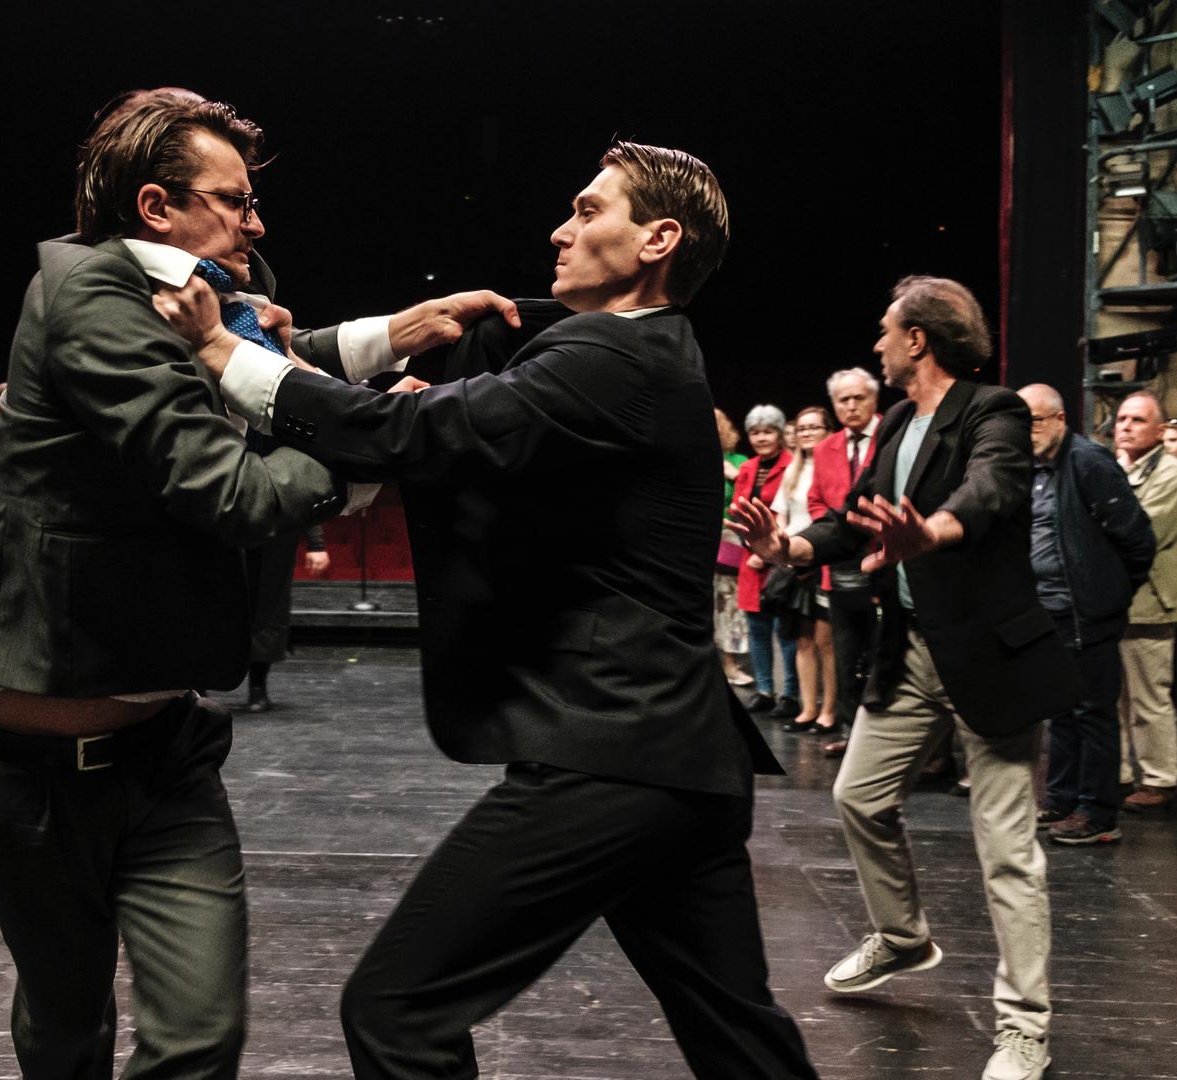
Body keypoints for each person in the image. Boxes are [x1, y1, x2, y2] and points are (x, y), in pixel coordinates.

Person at [164, 139, 818, 1080]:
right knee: (742, 1043)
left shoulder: (617, 357)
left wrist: (224, 349)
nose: (560, 230)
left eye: (589, 211)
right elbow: (492, 373)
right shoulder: (635, 347)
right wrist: (345, 343)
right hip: (681, 762)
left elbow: (413, 433)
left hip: (613, 756)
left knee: (396, 1013)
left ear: (658, 240)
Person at [0, 88, 507, 1079]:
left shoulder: (198, 291)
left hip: (166, 754)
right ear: (156, 207)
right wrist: (378, 449)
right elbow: (231, 489)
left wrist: (392, 334)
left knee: (199, 1036)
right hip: (31, 771)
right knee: (68, 1033)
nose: (257, 222)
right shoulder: (89, 297)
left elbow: (255, 363)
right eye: (235, 200)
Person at [729, 275, 1079, 1080]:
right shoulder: (894, 421)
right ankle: (902, 935)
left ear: (917, 339)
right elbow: (853, 518)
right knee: (858, 796)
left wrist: (935, 532)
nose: (878, 343)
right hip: (912, 651)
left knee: (1008, 851)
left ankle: (1024, 1028)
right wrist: (790, 549)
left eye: (887, 330)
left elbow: (993, 488)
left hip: (988, 655)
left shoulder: (993, 410)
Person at [1018, 384, 1153, 845]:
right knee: (1061, 710)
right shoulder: (1034, 468)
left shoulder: (1088, 462)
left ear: (1060, 419)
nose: (1027, 430)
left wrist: (1108, 594)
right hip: (1049, 612)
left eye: (1035, 421)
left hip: (1087, 613)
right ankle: (1062, 798)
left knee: (1093, 713)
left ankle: (1097, 812)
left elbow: (1137, 539)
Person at [1111, 391, 1177, 812]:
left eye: (1138, 420)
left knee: (1148, 696)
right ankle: (1117, 774)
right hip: (1117, 599)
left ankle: (1161, 780)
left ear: (1161, 431)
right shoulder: (1117, 468)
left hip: (1152, 599)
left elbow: (1140, 532)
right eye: (1122, 419)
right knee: (1113, 696)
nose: (1126, 426)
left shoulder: (1172, 474)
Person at [807, 367, 883, 754]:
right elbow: (815, 501)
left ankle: (893, 745)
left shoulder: (892, 435)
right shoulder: (826, 448)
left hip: (885, 562)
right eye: (843, 400)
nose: (851, 406)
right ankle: (853, 736)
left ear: (874, 399)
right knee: (846, 654)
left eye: (858, 398)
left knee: (886, 657)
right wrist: (837, 533)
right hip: (838, 568)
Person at [773, 406, 837, 733]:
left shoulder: (836, 465)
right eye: (802, 428)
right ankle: (808, 708)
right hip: (796, 563)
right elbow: (781, 516)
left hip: (825, 559)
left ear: (828, 431)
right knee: (803, 639)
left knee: (827, 641)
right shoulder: (793, 470)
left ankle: (829, 710)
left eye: (814, 427)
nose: (807, 433)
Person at [733, 404, 799, 718]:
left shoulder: (792, 464)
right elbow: (737, 510)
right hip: (750, 559)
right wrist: (754, 549)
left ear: (779, 433)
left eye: (768, 431)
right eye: (755, 432)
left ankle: (790, 694)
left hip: (782, 559)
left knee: (784, 632)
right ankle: (764, 691)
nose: (761, 438)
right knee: (756, 629)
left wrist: (769, 554)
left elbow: (792, 512)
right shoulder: (747, 468)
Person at [242, 521, 325, 713]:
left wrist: (316, 544)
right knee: (217, 608)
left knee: (270, 610)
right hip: (228, 530)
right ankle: (199, 685)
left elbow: (304, 502)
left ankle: (257, 686)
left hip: (275, 536)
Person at [712, 408, 755, 696]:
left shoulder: (739, 461)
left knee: (727, 603)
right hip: (694, 541)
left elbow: (752, 496)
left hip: (728, 541)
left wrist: (735, 476)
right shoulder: (691, 459)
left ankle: (729, 665)